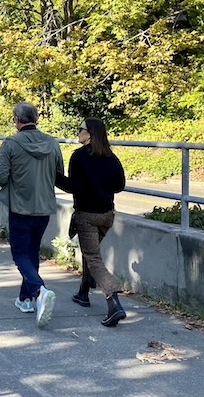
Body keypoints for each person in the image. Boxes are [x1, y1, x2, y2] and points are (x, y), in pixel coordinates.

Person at [0, 102, 65, 328]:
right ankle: (25, 299)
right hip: (44, 208)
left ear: (17, 120)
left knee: (19, 253)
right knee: (32, 252)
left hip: (21, 208)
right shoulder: (52, 143)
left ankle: (39, 290)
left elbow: (0, 177)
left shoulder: (11, 143)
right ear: (36, 118)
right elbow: (59, 174)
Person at [56, 117, 127, 327]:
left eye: (81, 129)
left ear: (90, 134)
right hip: (107, 215)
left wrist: (53, 175)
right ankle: (83, 292)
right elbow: (119, 185)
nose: (78, 132)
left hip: (87, 215)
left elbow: (73, 187)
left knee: (93, 257)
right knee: (91, 252)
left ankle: (113, 300)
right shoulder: (111, 157)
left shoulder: (79, 156)